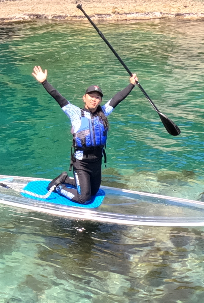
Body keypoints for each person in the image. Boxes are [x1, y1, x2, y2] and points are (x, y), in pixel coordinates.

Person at [32, 65, 138, 204]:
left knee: (94, 192)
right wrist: (44, 82)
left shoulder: (103, 113)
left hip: (96, 161)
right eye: (91, 96)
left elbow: (117, 98)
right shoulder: (75, 113)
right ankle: (57, 186)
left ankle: (65, 179)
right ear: (84, 98)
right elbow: (58, 97)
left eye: (98, 97)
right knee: (84, 198)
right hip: (81, 163)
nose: (94, 99)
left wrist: (131, 85)